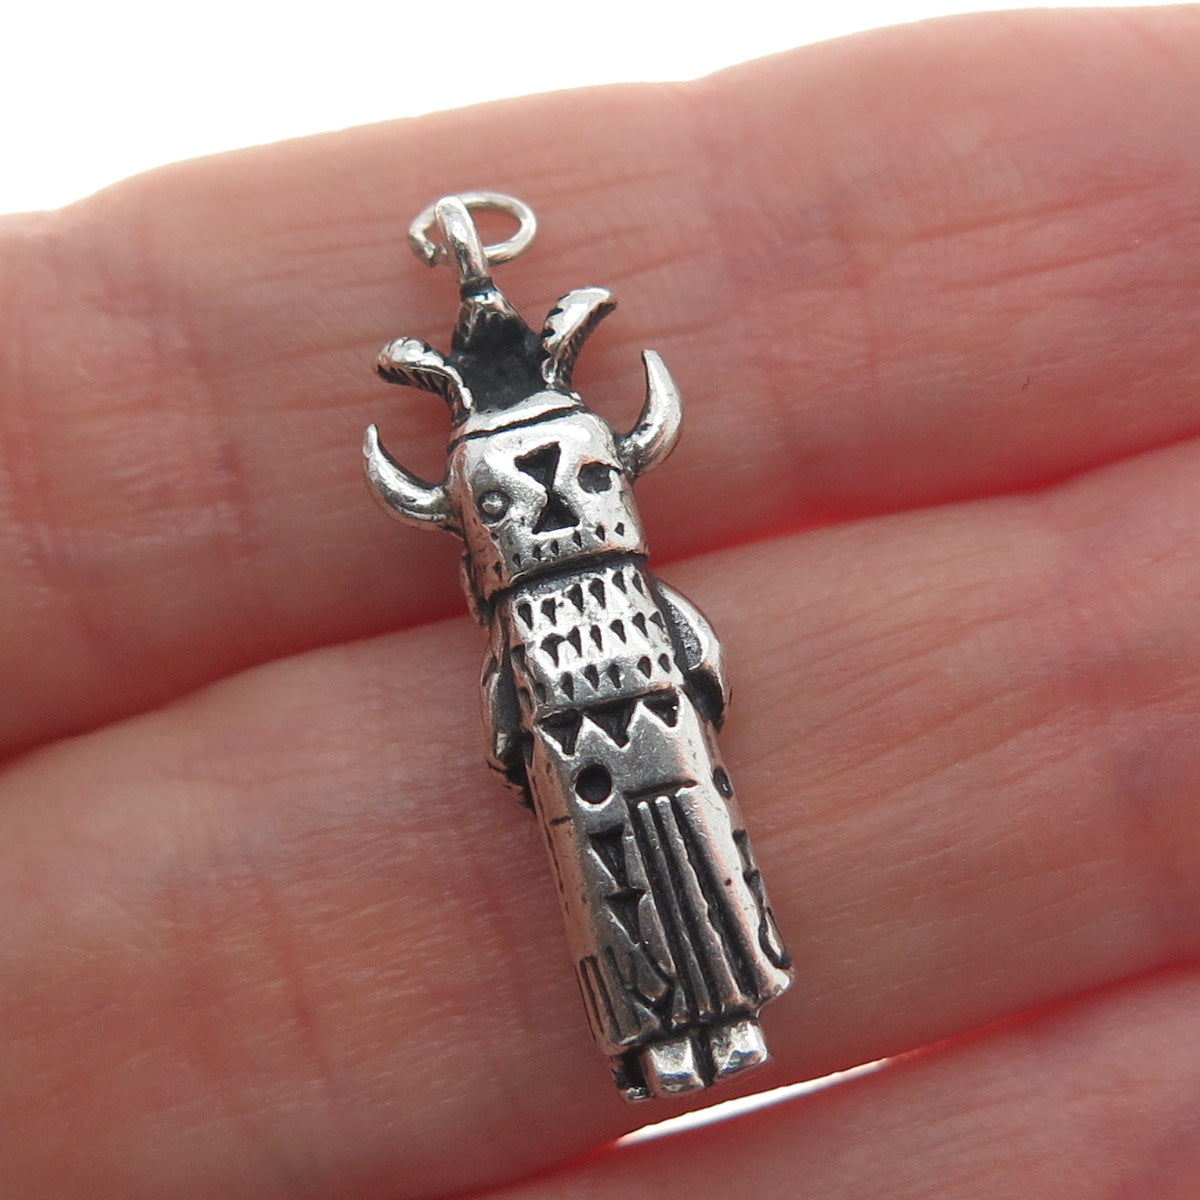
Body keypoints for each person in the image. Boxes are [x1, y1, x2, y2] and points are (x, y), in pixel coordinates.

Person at [1, 7, 1198, 1197]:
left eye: (578, 476)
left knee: (702, 863)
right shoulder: (521, 602)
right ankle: (658, 1042)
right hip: (575, 740)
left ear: (611, 474)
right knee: (611, 889)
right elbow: (559, 706)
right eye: (510, 496)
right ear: (474, 520)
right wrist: (537, 724)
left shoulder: (614, 573)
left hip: (655, 730)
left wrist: (644, 688)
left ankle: (729, 1016)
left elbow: (684, 666)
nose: (551, 501)